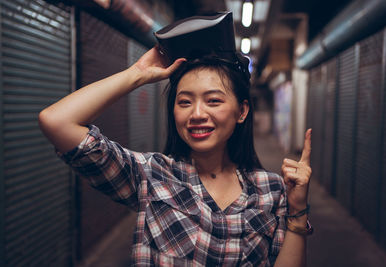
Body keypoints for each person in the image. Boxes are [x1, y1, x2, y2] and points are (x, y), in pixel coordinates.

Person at [39, 16, 312, 267]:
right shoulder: (152, 175)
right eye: (184, 102)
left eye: (213, 101)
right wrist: (137, 73)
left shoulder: (271, 190)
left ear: (242, 111)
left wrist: (297, 210)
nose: (196, 114)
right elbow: (57, 121)